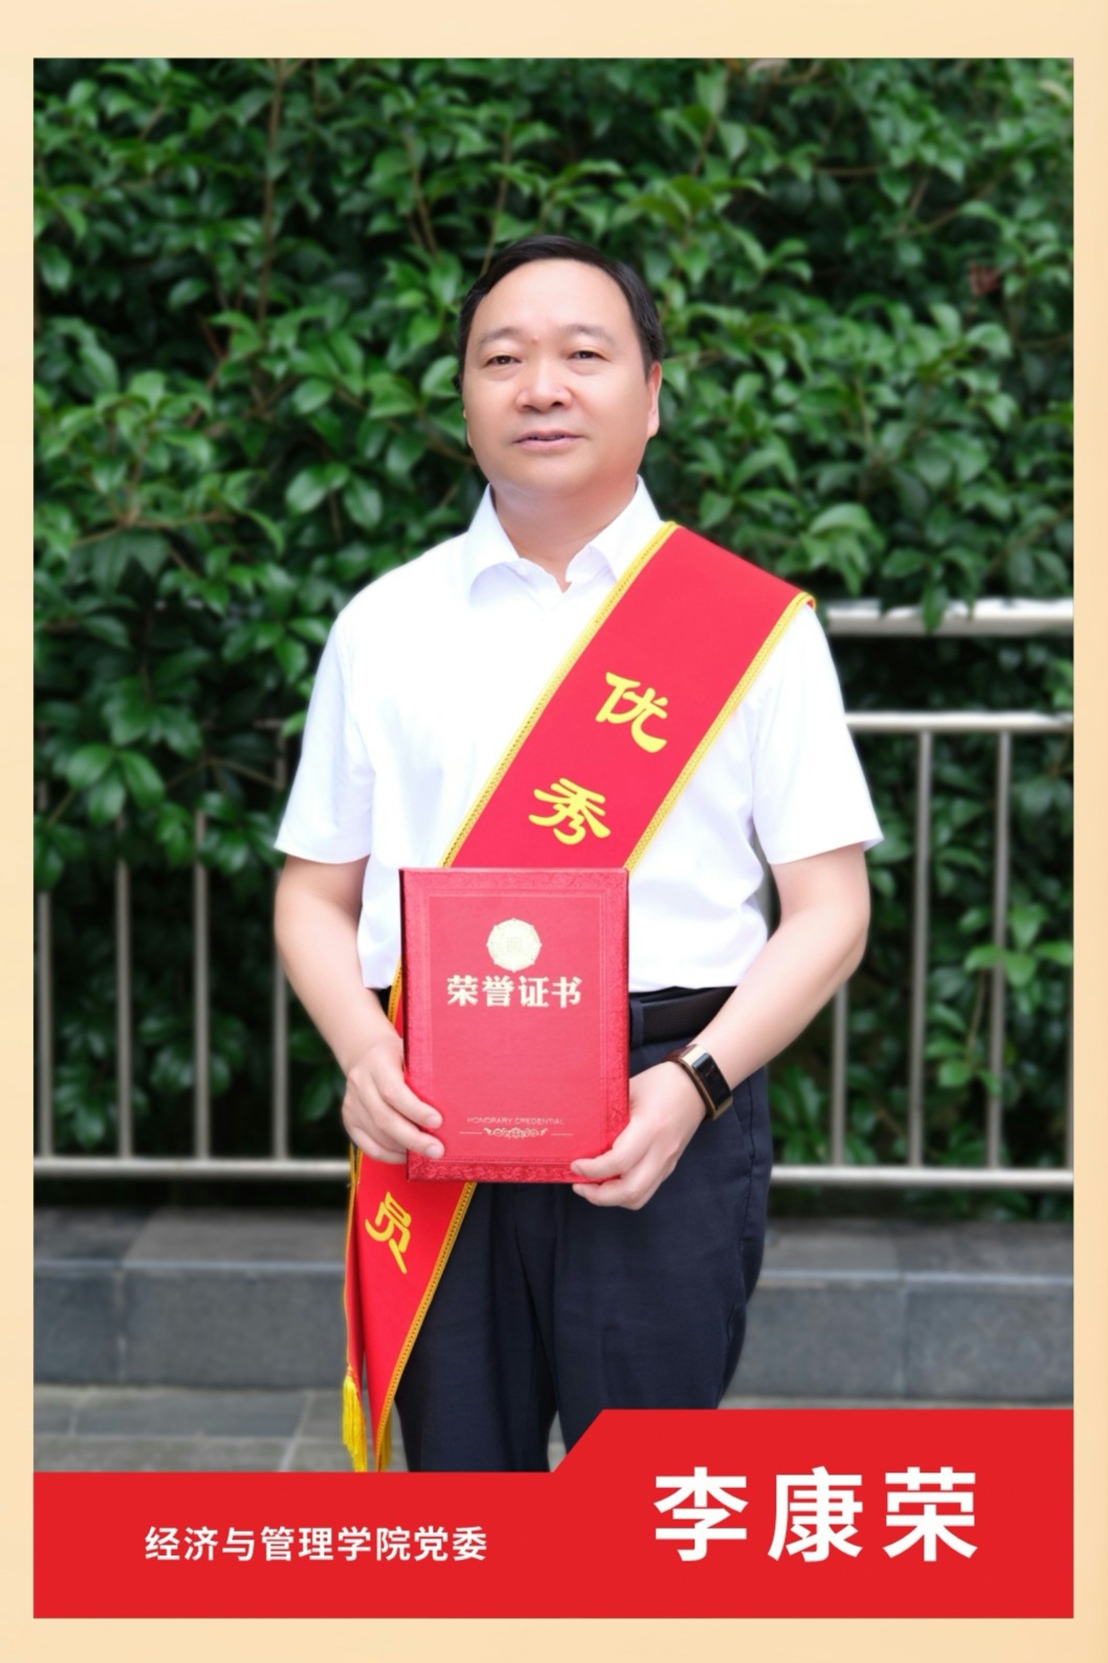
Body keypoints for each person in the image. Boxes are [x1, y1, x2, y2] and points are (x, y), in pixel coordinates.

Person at [273, 235, 881, 1472]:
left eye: (583, 354)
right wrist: (363, 1053)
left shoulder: (751, 628)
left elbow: (828, 909)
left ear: (651, 394)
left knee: (642, 1512)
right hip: (433, 1102)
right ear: (463, 400)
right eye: (502, 358)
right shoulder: (383, 625)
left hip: (667, 1099)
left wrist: (695, 1084)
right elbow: (312, 894)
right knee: (464, 1503)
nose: (540, 386)